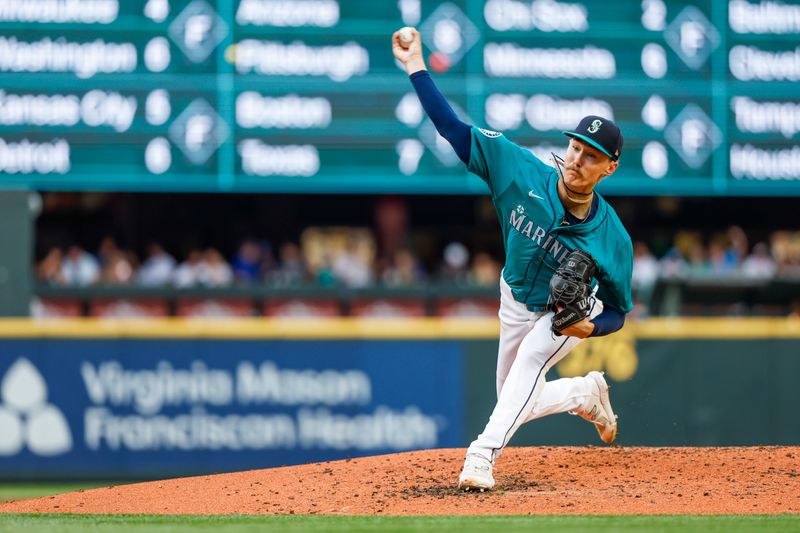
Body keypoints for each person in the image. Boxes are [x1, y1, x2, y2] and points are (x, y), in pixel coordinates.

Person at [392, 28, 634, 491]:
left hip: (567, 312)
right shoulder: (519, 169)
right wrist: (415, 66)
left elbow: (621, 310)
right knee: (517, 396)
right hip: (515, 297)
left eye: (592, 156)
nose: (578, 159)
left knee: (532, 361)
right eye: (576, 148)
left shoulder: (613, 237)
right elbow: (451, 128)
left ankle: (480, 457)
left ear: (610, 168)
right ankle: (585, 392)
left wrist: (591, 327)